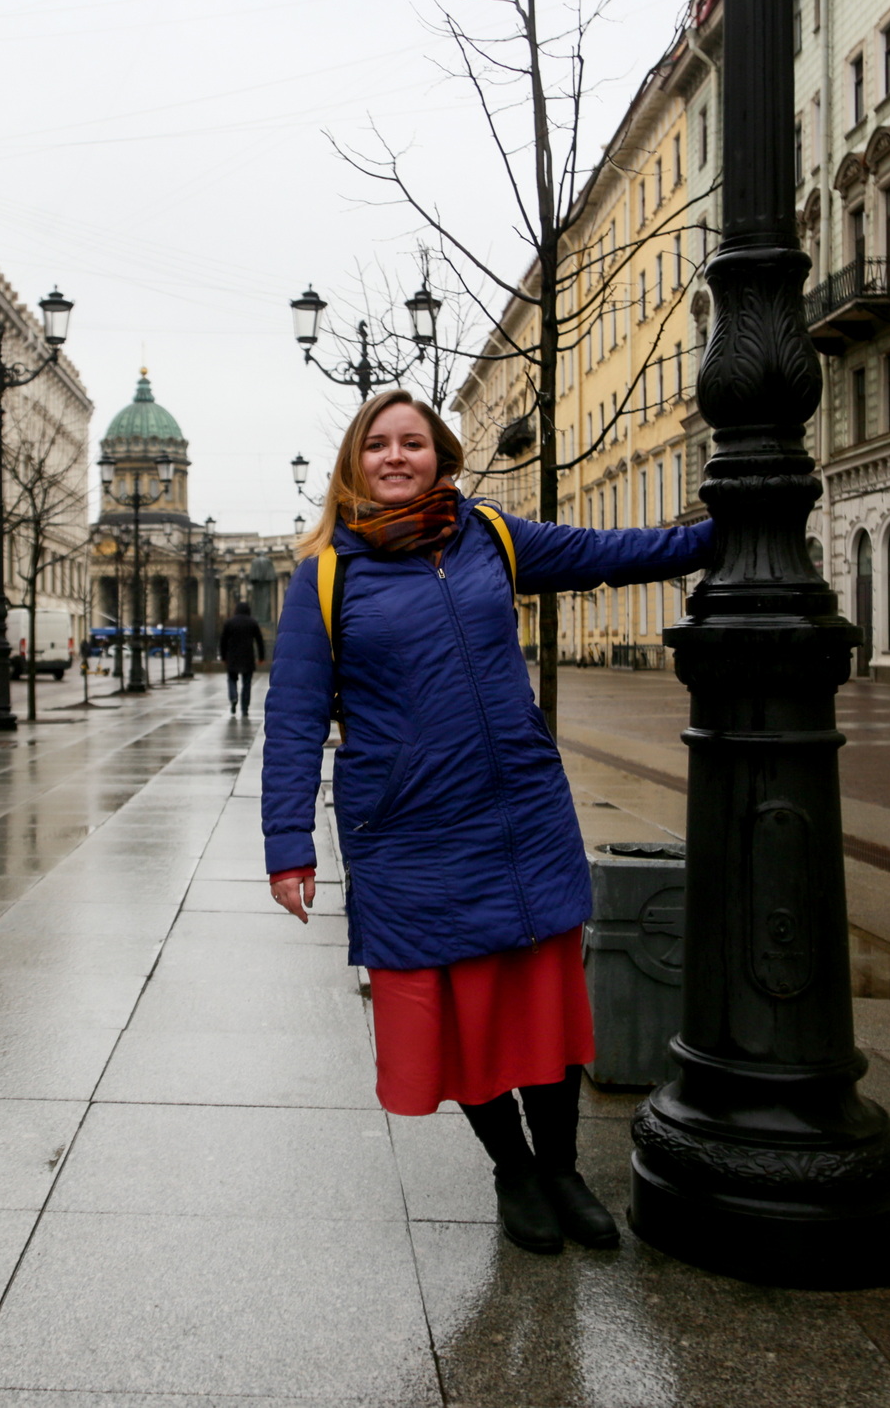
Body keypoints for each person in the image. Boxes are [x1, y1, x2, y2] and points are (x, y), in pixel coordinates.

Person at [261, 389, 712, 1256]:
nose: (397, 457)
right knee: (458, 1011)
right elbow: (294, 715)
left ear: (442, 455)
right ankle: (514, 1170)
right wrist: (289, 845)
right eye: (379, 444)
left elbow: (604, 553)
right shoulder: (326, 572)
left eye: (413, 442)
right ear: (355, 462)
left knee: (542, 1001)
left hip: (519, 811)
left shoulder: (489, 536)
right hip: (409, 827)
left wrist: (717, 535)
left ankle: (564, 1170)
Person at [218, 602, 265, 717]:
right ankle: (245, 708)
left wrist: (223, 656)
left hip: (232, 657)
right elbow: (259, 641)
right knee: (247, 684)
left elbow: (223, 641)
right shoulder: (252, 623)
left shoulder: (229, 622)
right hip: (247, 657)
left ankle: (233, 697)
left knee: (231, 680)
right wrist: (261, 657)